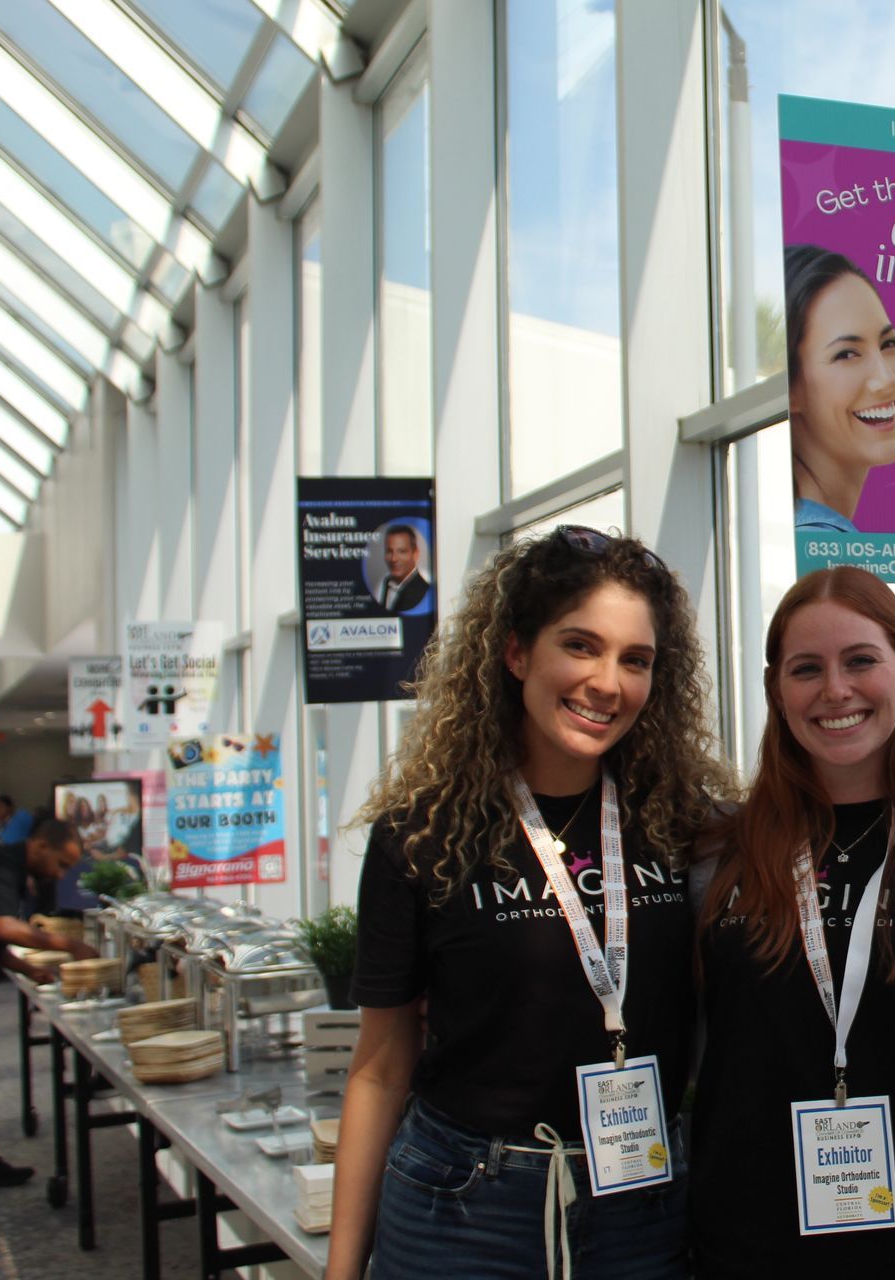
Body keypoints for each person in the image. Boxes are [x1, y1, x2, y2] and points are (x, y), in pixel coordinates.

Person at [327, 528, 729, 1280]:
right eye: (580, 646)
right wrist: (341, 1271)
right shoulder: (423, 834)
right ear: (516, 654)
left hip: (639, 1204)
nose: (608, 682)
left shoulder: (682, 826)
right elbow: (380, 1068)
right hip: (463, 1206)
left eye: (634, 660)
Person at [690, 567, 895, 1278]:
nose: (835, 690)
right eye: (807, 669)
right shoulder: (720, 852)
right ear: (777, 687)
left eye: (860, 660)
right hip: (746, 1245)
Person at [0, 818, 96, 1207]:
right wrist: (71, 946)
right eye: (60, 864)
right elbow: (5, 929)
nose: (59, 874)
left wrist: (29, 969)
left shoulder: (8, 869)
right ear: (40, 845)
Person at [786, 246, 895, 534]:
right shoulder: (821, 541)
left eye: (888, 344)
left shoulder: (819, 536)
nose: (887, 379)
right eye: (846, 354)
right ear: (791, 388)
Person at [375, 524, 431, 612]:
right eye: (389, 551)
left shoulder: (424, 591)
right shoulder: (384, 583)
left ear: (415, 554)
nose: (394, 559)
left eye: (402, 551)